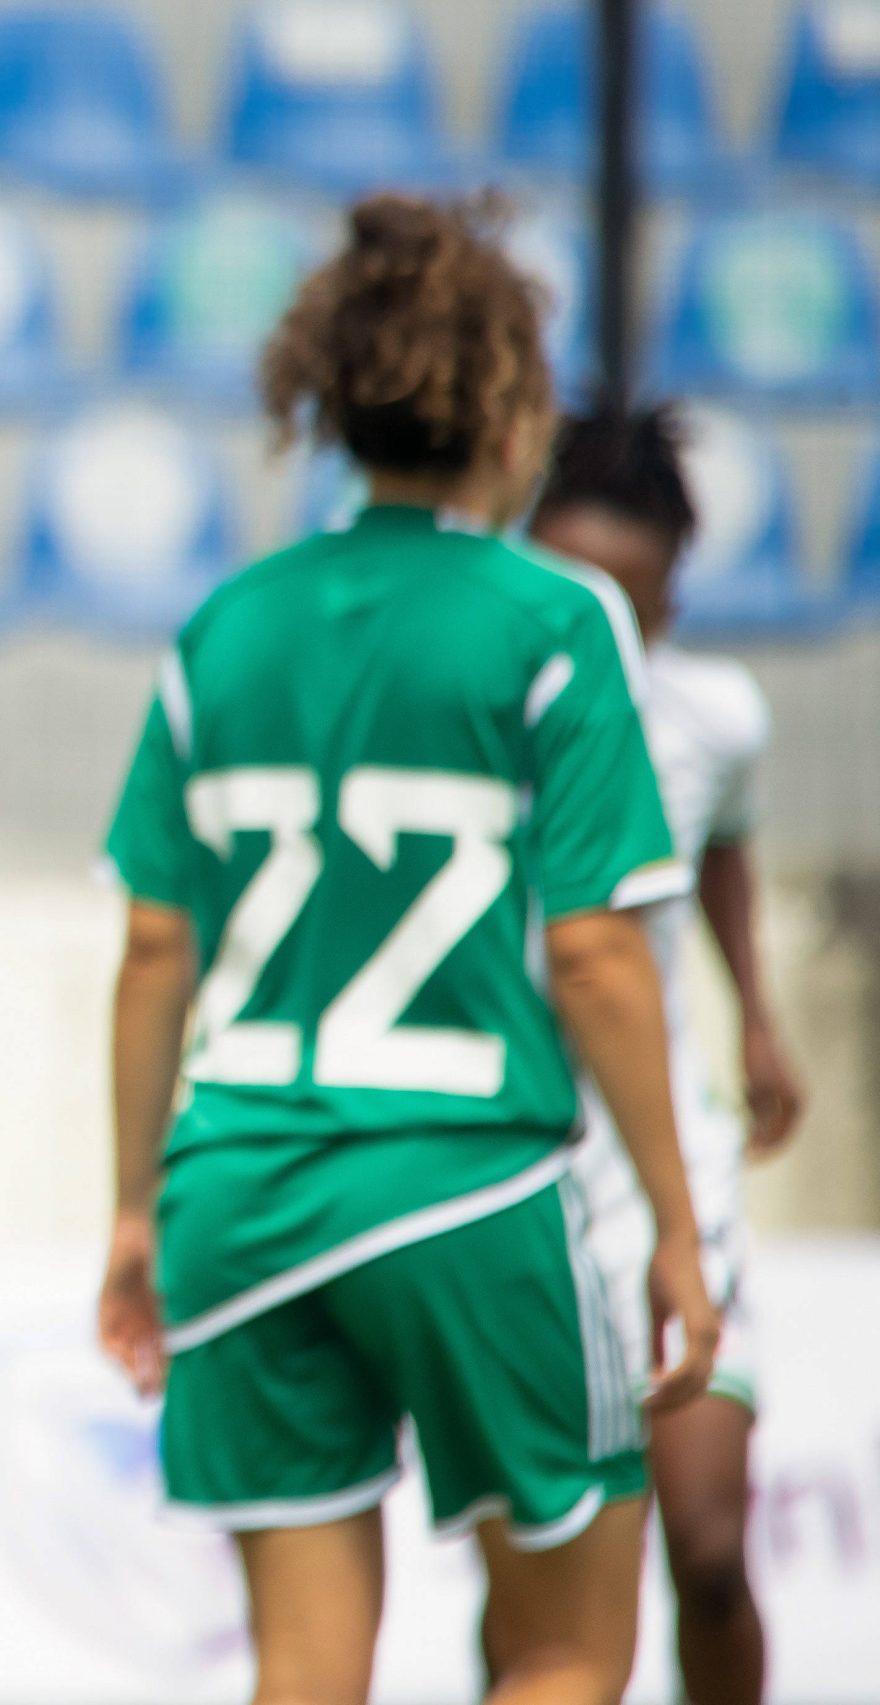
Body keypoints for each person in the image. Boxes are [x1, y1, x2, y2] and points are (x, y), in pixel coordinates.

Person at [94, 192, 720, 1705]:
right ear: (510, 404)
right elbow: (596, 957)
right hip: (469, 1180)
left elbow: (154, 948)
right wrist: (683, 1233)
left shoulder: (223, 627)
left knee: (303, 1673)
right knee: (566, 1646)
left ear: (325, 396)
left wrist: (130, 1211)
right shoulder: (555, 622)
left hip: (237, 1187)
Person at [503, 405, 805, 1705]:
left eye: (625, 597)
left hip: (666, 1167)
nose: (598, 627)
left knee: (712, 1553)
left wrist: (756, 1010)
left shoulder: (712, 716)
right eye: (568, 584)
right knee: (547, 1605)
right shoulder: (480, 714)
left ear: (674, 594)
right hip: (514, 1175)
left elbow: (722, 847)